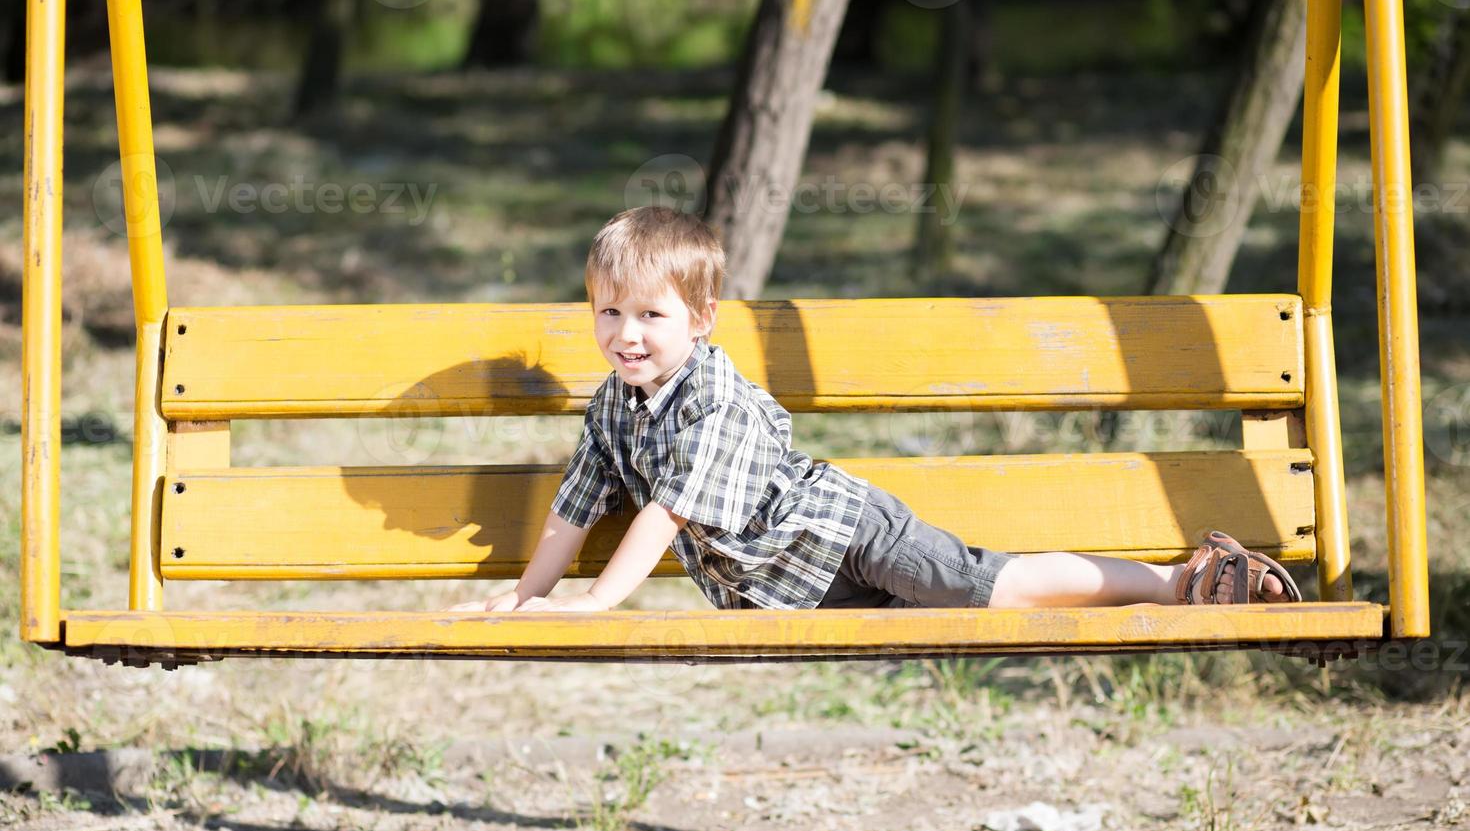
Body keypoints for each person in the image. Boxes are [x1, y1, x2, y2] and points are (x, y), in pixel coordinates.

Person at [450, 206, 1301, 615]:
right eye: (608, 313)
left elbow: (666, 514)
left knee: (985, 587)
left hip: (853, 535)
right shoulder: (612, 408)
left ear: (702, 319)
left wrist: (595, 604)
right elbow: (574, 509)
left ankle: (1175, 583)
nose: (625, 335)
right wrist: (527, 599)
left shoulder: (714, 402)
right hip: (792, 589)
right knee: (961, 600)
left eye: (650, 316)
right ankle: (1175, 583)